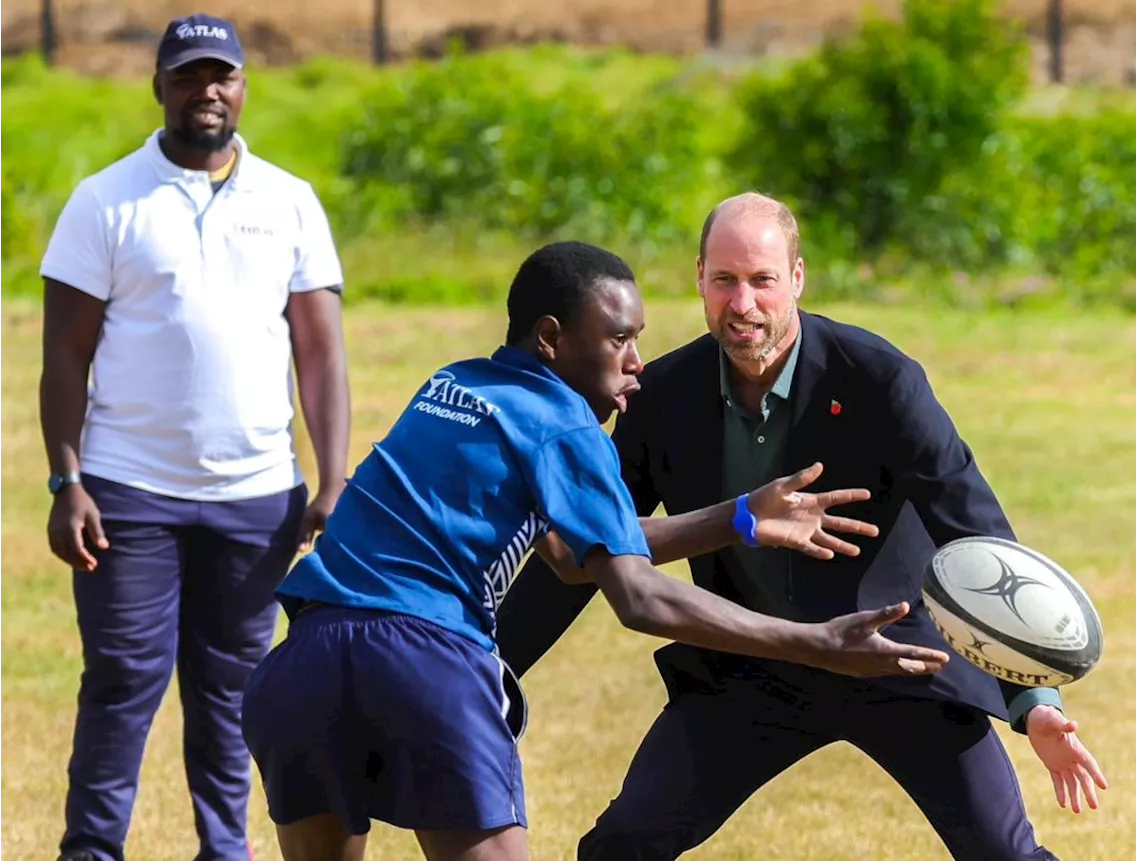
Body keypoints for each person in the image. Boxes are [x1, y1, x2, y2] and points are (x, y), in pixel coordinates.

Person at [239, 240, 954, 861]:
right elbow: (635, 595)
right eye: (619, 339)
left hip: (302, 665)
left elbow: (571, 551)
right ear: (550, 338)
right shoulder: (564, 424)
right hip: (424, 662)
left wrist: (738, 517)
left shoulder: (451, 384)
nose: (638, 361)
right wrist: (816, 642)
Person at [494, 194, 1110, 861]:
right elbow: (594, 545)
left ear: (796, 278)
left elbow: (972, 530)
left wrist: (1034, 699)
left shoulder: (880, 380)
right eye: (725, 280)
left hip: (897, 662)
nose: (743, 303)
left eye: (762, 280)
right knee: (622, 844)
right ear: (699, 276)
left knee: (1005, 854)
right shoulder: (661, 397)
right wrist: (489, 668)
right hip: (755, 669)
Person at [38, 14, 349, 861]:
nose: (207, 91)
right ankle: (91, 850)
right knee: (121, 685)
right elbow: (64, 357)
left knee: (234, 695)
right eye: (188, 76)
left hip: (255, 497)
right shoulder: (105, 200)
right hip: (128, 493)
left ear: (244, 86)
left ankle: (226, 849)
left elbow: (320, 354)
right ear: (159, 87)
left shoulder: (289, 201)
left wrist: (332, 479)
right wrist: (68, 483)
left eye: (223, 76)